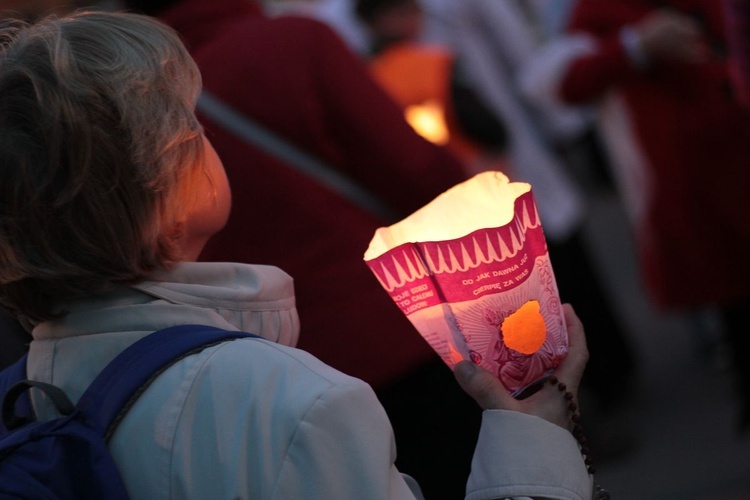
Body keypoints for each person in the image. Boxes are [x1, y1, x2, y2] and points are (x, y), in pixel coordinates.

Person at [0, 10, 596, 498]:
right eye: (185, 122)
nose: (204, 132)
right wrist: (534, 438)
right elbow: (418, 173)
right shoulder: (293, 405)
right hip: (388, 339)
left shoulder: (30, 393)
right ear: (161, 185)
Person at [120, 0, 479, 495]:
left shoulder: (127, 102)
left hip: (271, 375)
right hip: (396, 323)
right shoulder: (293, 42)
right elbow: (416, 173)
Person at [552, 0, 750, 430]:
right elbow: (567, 82)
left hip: (732, 149)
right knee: (733, 302)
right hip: (693, 181)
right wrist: (635, 45)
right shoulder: (597, 11)